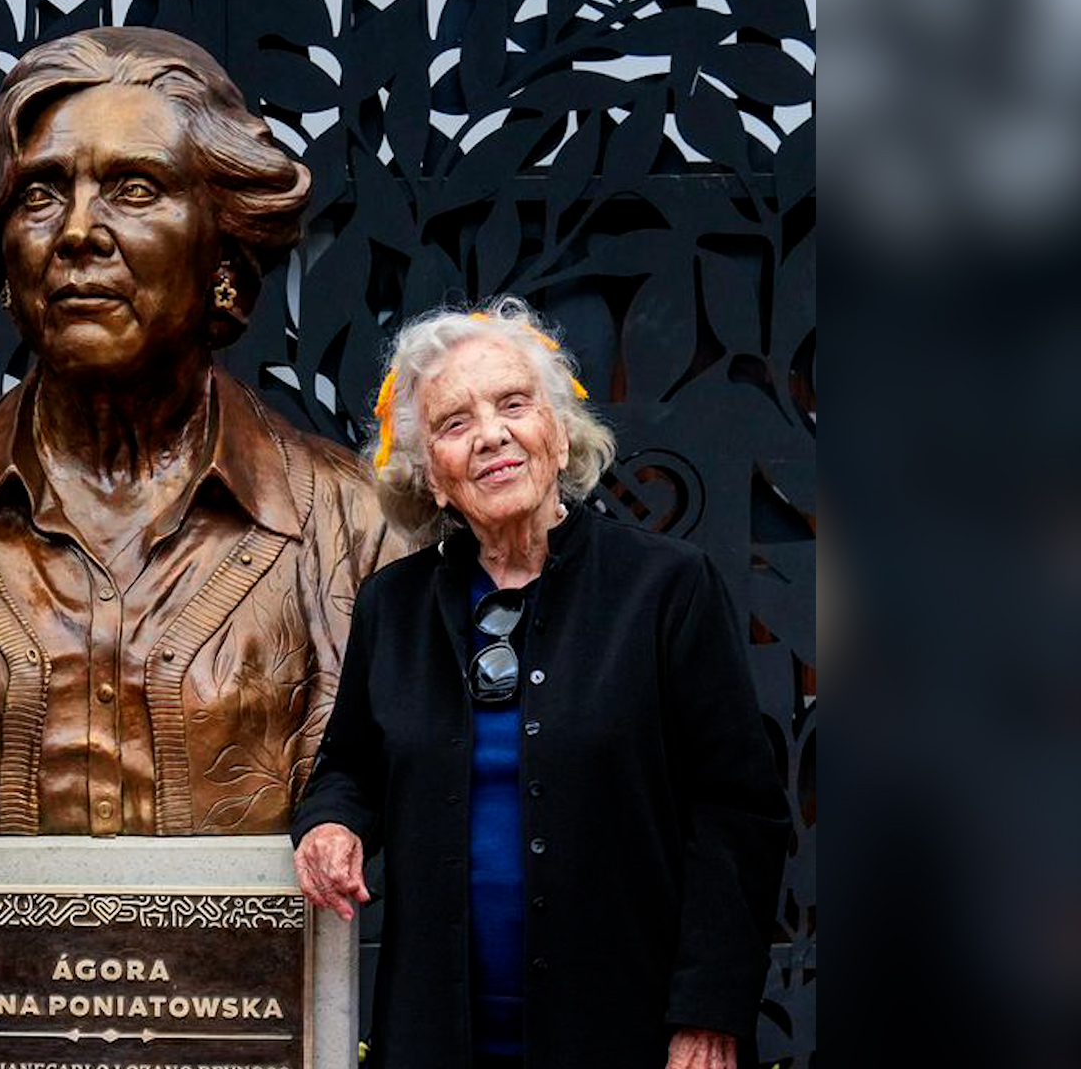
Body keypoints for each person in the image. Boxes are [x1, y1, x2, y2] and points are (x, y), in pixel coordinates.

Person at [0, 27, 404, 837]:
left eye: (135, 189)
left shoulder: (358, 525)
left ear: (224, 249)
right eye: (39, 194)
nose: (77, 232)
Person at [291, 297, 788, 1068]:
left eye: (514, 405)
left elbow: (737, 813)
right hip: (437, 1033)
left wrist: (708, 1012)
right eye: (455, 424)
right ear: (433, 479)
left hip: (628, 1025)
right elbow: (349, 766)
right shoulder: (395, 604)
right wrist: (331, 824)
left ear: (558, 433)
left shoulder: (665, 588)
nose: (491, 434)